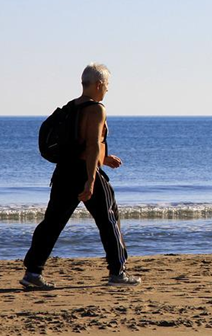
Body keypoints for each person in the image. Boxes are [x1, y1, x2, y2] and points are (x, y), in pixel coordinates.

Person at [20, 63, 142, 289]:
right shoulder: (96, 109)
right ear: (98, 84)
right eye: (107, 85)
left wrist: (104, 159)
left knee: (52, 223)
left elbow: (77, 143)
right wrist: (91, 179)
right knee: (108, 220)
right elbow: (93, 143)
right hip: (85, 172)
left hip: (64, 173)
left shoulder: (70, 108)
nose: (107, 89)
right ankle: (118, 272)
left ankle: (33, 272)